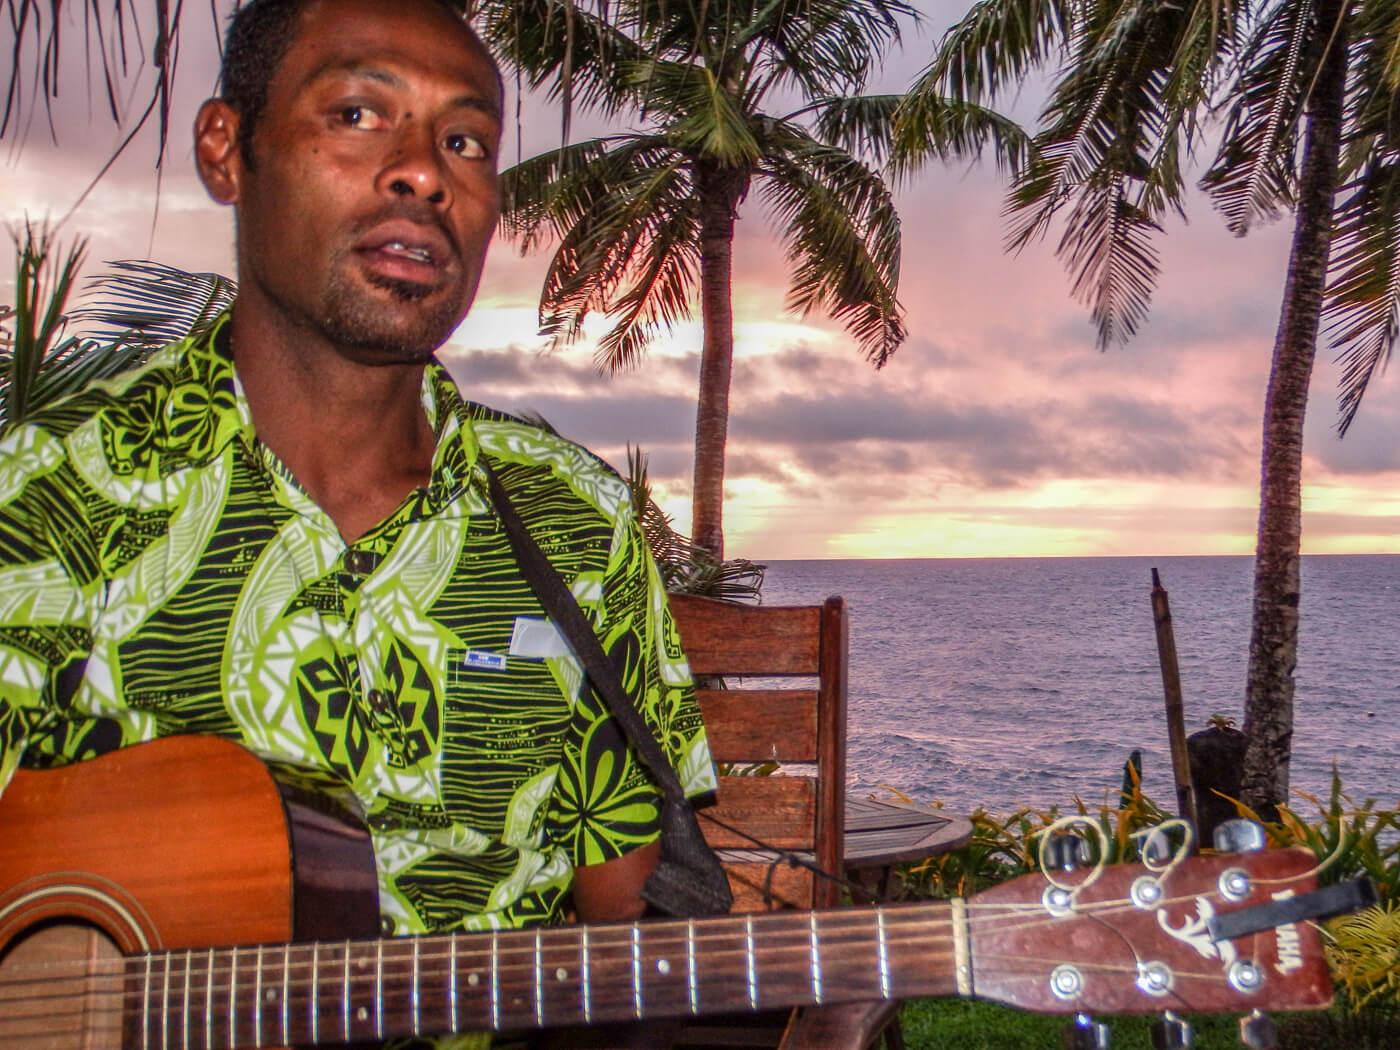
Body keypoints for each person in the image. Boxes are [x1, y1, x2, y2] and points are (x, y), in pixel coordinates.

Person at [0, 0, 714, 1045]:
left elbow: (627, 927)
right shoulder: (43, 496)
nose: (425, 171)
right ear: (226, 150)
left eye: (464, 141)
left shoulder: (574, 526)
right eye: (357, 113)